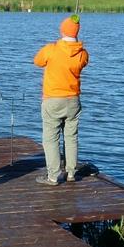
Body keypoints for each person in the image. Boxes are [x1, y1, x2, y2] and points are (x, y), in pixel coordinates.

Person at [33, 15, 89, 185]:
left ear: (62, 30)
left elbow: (37, 61)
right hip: (73, 100)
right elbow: (84, 62)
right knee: (71, 137)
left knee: (51, 138)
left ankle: (53, 176)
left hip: (53, 100)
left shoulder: (51, 49)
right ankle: (71, 173)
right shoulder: (82, 53)